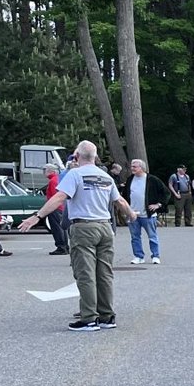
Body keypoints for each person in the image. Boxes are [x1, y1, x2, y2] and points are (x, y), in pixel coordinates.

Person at [19, 140, 124, 330]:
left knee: (85, 273)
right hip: (105, 227)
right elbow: (119, 201)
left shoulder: (75, 174)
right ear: (95, 156)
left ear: (76, 157)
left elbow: (59, 197)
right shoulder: (105, 176)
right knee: (105, 274)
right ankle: (107, 316)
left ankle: (89, 318)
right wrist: (132, 214)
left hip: (83, 227)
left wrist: (37, 216)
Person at [123, 158, 171, 264]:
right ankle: (138, 256)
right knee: (135, 237)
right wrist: (127, 210)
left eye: (134, 166)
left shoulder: (152, 179)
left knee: (152, 236)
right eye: (131, 166)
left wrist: (158, 204)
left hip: (148, 214)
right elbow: (125, 195)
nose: (132, 168)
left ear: (141, 168)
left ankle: (155, 255)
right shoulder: (130, 179)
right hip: (133, 214)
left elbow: (166, 193)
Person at [44, 164, 69, 255]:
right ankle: (64, 246)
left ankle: (61, 246)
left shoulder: (53, 180)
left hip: (55, 208)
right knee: (61, 228)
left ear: (51, 171)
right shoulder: (57, 179)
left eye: (45, 170)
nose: (44, 172)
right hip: (59, 207)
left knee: (57, 228)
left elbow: (56, 196)